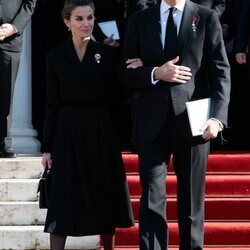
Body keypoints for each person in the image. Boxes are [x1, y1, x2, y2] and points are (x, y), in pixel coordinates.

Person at [122, 0, 231, 249]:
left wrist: (218, 118)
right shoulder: (140, 20)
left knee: (191, 201)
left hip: (195, 121)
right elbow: (125, 73)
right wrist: (154, 73)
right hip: (151, 121)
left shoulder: (205, 17)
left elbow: (220, 71)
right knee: (151, 199)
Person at [41, 0, 134, 249]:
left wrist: (127, 69)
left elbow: (121, 98)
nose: (86, 24)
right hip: (67, 132)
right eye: (79, 19)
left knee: (103, 190)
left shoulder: (108, 54)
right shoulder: (55, 56)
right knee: (63, 195)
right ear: (66, 22)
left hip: (100, 131)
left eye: (90, 18)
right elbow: (52, 103)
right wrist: (47, 146)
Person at [0, 0, 37, 158]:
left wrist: (13, 27)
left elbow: (30, 3)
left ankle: (3, 142)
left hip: (10, 40)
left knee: (5, 94)